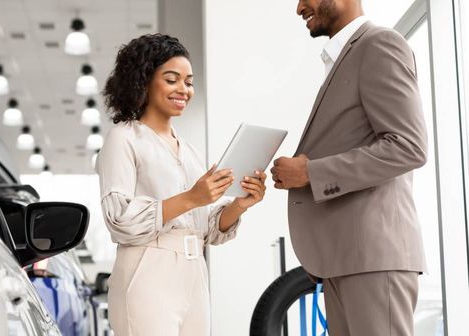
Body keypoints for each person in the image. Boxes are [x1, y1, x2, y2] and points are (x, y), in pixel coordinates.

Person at [271, 1, 428, 335]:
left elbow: (408, 146)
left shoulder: (380, 45)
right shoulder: (346, 57)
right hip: (344, 260)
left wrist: (311, 173)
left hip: (373, 259)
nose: (299, 7)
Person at [96, 33, 267, 335]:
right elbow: (119, 219)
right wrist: (191, 197)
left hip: (194, 273)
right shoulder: (123, 138)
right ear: (144, 80)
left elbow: (209, 229)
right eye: (172, 79)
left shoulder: (189, 151)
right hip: (147, 270)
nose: (184, 90)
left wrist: (240, 204)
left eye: (188, 82)